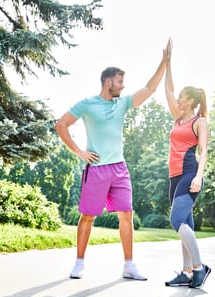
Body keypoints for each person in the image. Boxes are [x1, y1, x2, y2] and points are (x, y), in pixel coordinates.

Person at [55, 40, 171, 280]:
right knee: (88, 216)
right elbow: (61, 125)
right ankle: (79, 262)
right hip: (96, 169)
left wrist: (164, 62)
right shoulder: (87, 104)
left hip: (119, 168)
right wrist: (80, 152)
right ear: (108, 82)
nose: (123, 85)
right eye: (119, 81)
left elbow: (149, 89)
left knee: (126, 214)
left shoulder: (123, 103)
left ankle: (129, 265)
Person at [163, 39, 211, 289]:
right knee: (186, 224)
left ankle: (200, 268)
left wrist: (199, 176)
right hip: (173, 175)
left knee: (177, 220)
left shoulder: (199, 122)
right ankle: (186, 271)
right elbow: (168, 91)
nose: (178, 100)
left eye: (182, 97)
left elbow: (203, 151)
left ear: (190, 101)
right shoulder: (178, 118)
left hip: (189, 173)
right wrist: (167, 62)